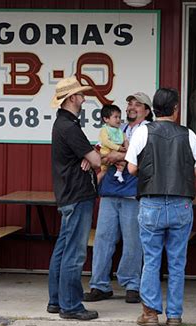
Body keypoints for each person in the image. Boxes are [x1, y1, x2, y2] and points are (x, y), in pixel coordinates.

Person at [125, 88, 196, 326]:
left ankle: (150, 314)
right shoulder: (187, 134)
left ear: (154, 109)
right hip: (181, 202)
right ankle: (174, 315)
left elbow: (130, 169)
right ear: (176, 109)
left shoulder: (142, 132)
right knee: (177, 261)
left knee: (151, 260)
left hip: (152, 202)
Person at [83, 92, 153, 304]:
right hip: (109, 190)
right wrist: (93, 158)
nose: (131, 107)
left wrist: (119, 156)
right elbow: (101, 149)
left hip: (133, 193)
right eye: (129, 103)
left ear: (147, 110)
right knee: (103, 238)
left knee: (133, 240)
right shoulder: (116, 129)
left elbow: (147, 155)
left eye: (137, 104)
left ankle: (132, 284)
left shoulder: (149, 130)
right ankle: (99, 285)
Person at [47, 76, 101, 321]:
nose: (84, 98)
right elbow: (97, 161)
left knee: (63, 248)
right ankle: (71, 306)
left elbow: (91, 158)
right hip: (78, 194)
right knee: (75, 253)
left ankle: (56, 300)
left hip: (68, 194)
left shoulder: (62, 124)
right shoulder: (70, 127)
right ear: (71, 98)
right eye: (80, 94)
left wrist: (90, 157)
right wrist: (93, 157)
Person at [98, 105, 128, 183]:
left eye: (119, 117)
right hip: (106, 153)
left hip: (116, 155)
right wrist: (118, 148)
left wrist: (127, 148)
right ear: (106, 119)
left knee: (122, 163)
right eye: (115, 117)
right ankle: (94, 188)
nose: (118, 120)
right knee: (102, 173)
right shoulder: (104, 130)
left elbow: (125, 140)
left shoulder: (120, 131)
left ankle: (119, 173)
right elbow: (106, 142)